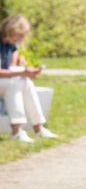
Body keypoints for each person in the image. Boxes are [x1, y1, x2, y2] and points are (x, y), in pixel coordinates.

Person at [0, 15, 57, 143]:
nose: (22, 38)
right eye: (19, 35)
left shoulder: (13, 45)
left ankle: (38, 127)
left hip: (4, 82)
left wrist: (28, 73)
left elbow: (13, 68)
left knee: (26, 82)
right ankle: (16, 130)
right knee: (14, 84)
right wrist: (23, 72)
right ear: (10, 31)